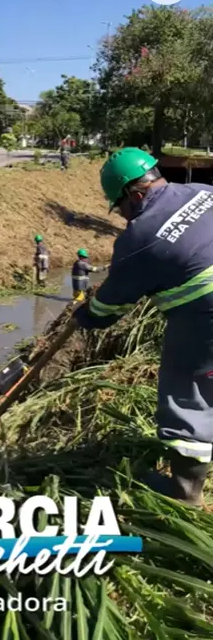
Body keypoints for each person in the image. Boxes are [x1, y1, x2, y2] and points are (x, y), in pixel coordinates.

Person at [73, 147, 213, 505]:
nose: (122, 216)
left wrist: (86, 315)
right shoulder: (203, 191)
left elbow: (109, 307)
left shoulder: (140, 237)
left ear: (135, 195)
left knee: (187, 394)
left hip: (204, 313)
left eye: (119, 206)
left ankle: (185, 493)